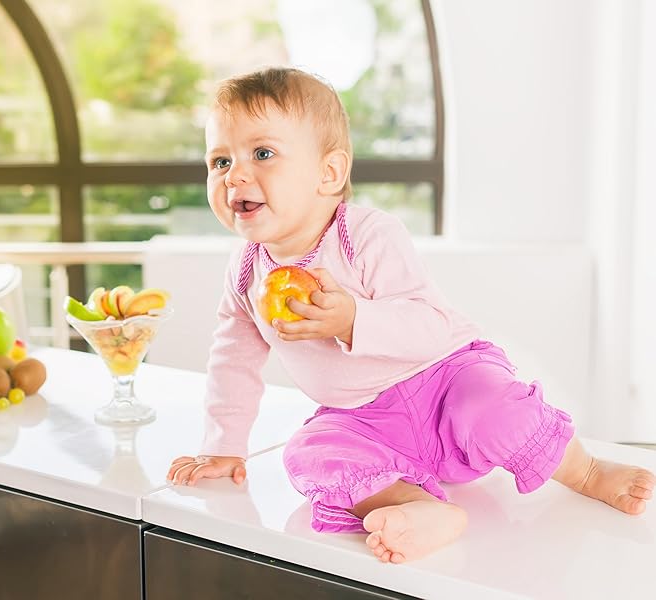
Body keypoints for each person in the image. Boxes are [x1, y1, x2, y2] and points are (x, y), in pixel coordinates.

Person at [166, 66, 655, 564]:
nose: (235, 175)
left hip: (444, 382)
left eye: (262, 153)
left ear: (328, 174)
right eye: (220, 160)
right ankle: (418, 507)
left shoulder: (367, 236)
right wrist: (223, 446)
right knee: (307, 455)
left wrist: (352, 320)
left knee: (499, 410)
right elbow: (232, 360)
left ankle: (589, 473)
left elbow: (430, 325)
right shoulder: (247, 271)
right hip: (361, 420)